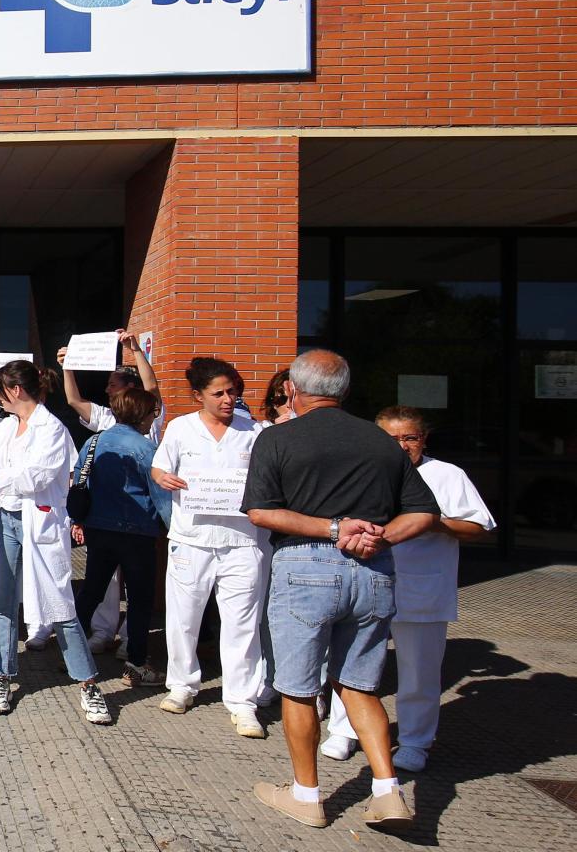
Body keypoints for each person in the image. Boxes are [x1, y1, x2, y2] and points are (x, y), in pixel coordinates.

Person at [243, 349, 440, 831]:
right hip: (373, 571)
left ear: (291, 388)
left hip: (305, 568)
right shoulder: (381, 443)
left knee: (298, 688)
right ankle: (387, 791)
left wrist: (334, 529)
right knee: (360, 684)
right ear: (345, 391)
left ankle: (307, 795)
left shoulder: (278, 439)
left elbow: (262, 512)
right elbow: (423, 512)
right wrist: (377, 535)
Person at [322, 405, 495, 773]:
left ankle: (416, 741)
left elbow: (479, 527)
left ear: (423, 439)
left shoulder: (447, 475)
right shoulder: (362, 470)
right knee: (352, 661)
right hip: (366, 582)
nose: (401, 446)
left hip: (422, 588)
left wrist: (433, 524)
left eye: (409, 438)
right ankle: (343, 730)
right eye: (391, 438)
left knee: (419, 672)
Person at [0, 360, 113, 725]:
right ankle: (1, 675)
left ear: (15, 390)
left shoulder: (51, 429)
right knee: (3, 602)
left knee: (59, 604)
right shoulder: (6, 427)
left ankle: (88, 683)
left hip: (39, 524)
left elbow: (33, 478)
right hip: (4, 518)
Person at [152, 357, 272, 737]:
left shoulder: (255, 432)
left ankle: (242, 701)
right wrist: (163, 478)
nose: (227, 399)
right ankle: (182, 686)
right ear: (198, 395)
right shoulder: (180, 428)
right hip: (192, 539)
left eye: (232, 391)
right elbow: (158, 467)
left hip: (242, 542)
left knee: (242, 624)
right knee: (184, 618)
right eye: (218, 393)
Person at [58, 329, 158, 658]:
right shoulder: (111, 420)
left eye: (112, 385)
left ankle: (105, 646)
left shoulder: (147, 418)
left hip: (107, 522)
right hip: (130, 524)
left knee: (97, 588)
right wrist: (68, 366)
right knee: (115, 589)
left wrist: (134, 351)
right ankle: (110, 639)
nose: (106, 390)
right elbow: (74, 400)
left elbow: (152, 389)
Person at [73, 387, 171, 688]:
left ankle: (72, 653)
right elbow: (160, 494)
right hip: (137, 532)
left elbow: (79, 480)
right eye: (151, 413)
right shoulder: (146, 449)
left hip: (99, 529)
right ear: (142, 414)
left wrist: (80, 520)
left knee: (92, 591)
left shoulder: (94, 441)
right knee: (140, 599)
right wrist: (172, 529)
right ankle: (136, 663)